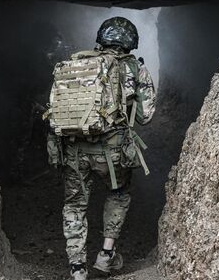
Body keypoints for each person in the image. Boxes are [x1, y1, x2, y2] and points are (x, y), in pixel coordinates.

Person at [46, 17, 156, 280]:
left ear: (101, 38)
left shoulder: (77, 65)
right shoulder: (134, 69)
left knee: (74, 205)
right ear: (130, 42)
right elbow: (145, 115)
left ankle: (77, 269)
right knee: (118, 194)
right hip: (112, 152)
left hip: (74, 149)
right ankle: (106, 256)